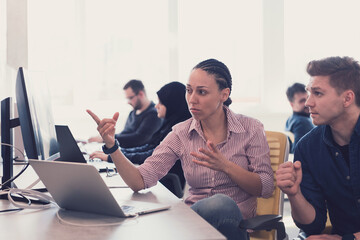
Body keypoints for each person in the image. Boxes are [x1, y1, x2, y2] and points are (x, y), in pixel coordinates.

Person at [87, 58, 274, 240]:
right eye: (189, 90)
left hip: (234, 226)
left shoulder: (251, 128)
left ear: (224, 95)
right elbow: (139, 181)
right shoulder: (181, 133)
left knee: (222, 204)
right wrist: (112, 146)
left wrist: (226, 166)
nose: (192, 99)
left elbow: (265, 187)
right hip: (193, 223)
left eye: (202, 92)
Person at [276, 56, 360, 239]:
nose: (308, 103)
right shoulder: (307, 147)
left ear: (347, 98)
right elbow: (313, 225)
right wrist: (294, 193)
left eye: (318, 93)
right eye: (309, 92)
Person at [90, 81, 191, 196]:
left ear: (172, 105)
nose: (156, 105)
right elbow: (149, 148)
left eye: (161, 103)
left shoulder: (179, 131)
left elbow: (149, 153)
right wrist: (115, 151)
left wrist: (112, 155)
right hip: (152, 180)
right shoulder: (167, 125)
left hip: (163, 184)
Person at [88, 79, 163, 148]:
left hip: (138, 157)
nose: (128, 102)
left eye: (130, 98)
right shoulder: (132, 113)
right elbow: (125, 133)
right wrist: (105, 136)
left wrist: (107, 138)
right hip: (126, 152)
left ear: (141, 94)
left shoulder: (154, 114)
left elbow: (139, 139)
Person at [285, 82, 315, 153]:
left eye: (307, 98)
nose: (307, 103)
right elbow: (299, 152)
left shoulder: (290, 119)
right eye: (302, 101)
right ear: (292, 104)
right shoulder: (302, 122)